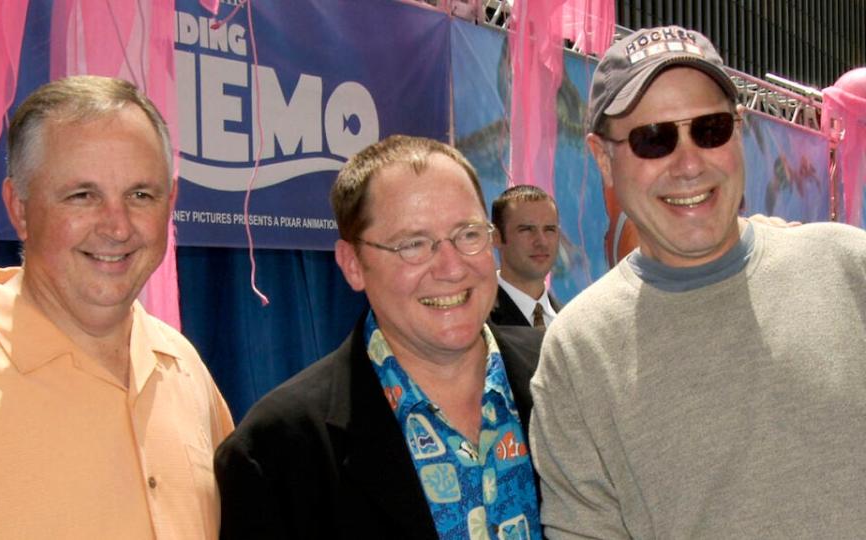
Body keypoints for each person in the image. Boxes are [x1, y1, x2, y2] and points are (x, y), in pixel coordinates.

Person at [528, 25, 866, 538]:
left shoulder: (847, 267)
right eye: (653, 140)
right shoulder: (578, 350)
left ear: (738, 131)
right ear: (603, 158)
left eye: (709, 129)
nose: (688, 163)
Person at [0, 76, 234, 539]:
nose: (117, 227)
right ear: (19, 209)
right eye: (83, 195)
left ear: (171, 203)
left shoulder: (183, 369)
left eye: (141, 195)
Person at [215, 135, 544, 539]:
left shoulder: (562, 376)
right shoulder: (277, 451)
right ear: (353, 264)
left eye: (468, 234)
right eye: (413, 244)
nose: (451, 267)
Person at [489, 185, 563, 328]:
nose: (542, 242)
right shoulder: (479, 321)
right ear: (496, 237)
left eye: (549, 229)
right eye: (527, 229)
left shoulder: (573, 321)